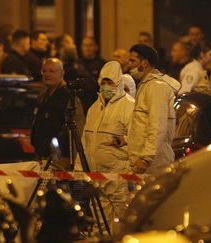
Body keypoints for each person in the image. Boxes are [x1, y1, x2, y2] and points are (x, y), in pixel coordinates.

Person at [78, 61, 135, 233]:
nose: (106, 86)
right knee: (99, 225)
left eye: (110, 82)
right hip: (97, 177)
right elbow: (85, 140)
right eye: (103, 82)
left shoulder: (129, 106)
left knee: (119, 225)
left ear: (119, 83)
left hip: (118, 177)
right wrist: (79, 168)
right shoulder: (94, 108)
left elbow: (137, 138)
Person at [127, 44, 176, 175]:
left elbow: (158, 126)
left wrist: (146, 158)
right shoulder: (145, 86)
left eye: (133, 61)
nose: (129, 65)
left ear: (144, 63)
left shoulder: (155, 87)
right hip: (146, 162)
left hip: (155, 163)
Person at [31, 58, 84, 161]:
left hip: (62, 158)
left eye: (51, 71)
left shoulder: (69, 97)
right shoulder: (42, 96)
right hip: (43, 156)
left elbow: (77, 131)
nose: (47, 74)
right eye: (44, 71)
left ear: (62, 73)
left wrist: (76, 160)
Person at [59, 45, 95, 114]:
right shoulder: (81, 68)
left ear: (62, 57)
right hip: (86, 103)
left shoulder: (63, 71)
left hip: (73, 104)